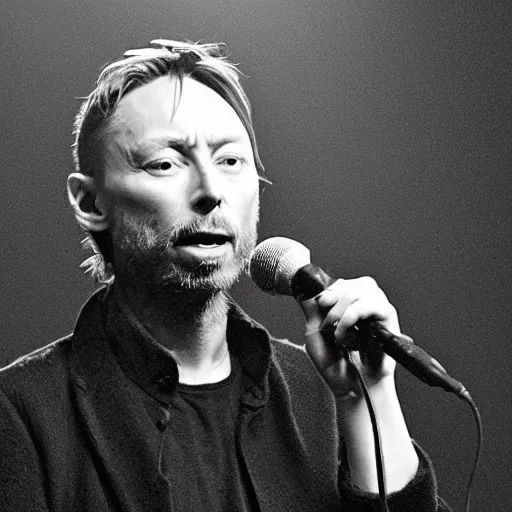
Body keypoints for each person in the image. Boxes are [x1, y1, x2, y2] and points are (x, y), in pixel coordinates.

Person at [0, 40, 451, 511]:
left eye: (230, 161)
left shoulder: (321, 396)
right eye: (165, 163)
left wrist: (368, 397)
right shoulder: (21, 417)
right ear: (92, 203)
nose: (211, 191)